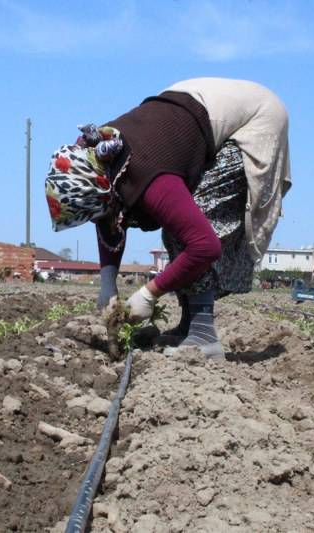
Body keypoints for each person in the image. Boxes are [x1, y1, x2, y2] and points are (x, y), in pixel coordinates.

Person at [45, 78, 291, 360]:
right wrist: (107, 284)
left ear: (103, 188)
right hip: (198, 107)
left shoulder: (147, 173)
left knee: (197, 218)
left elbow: (205, 246)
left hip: (254, 116)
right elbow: (109, 217)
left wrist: (149, 293)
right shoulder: (104, 164)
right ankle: (190, 326)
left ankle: (202, 335)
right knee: (177, 224)